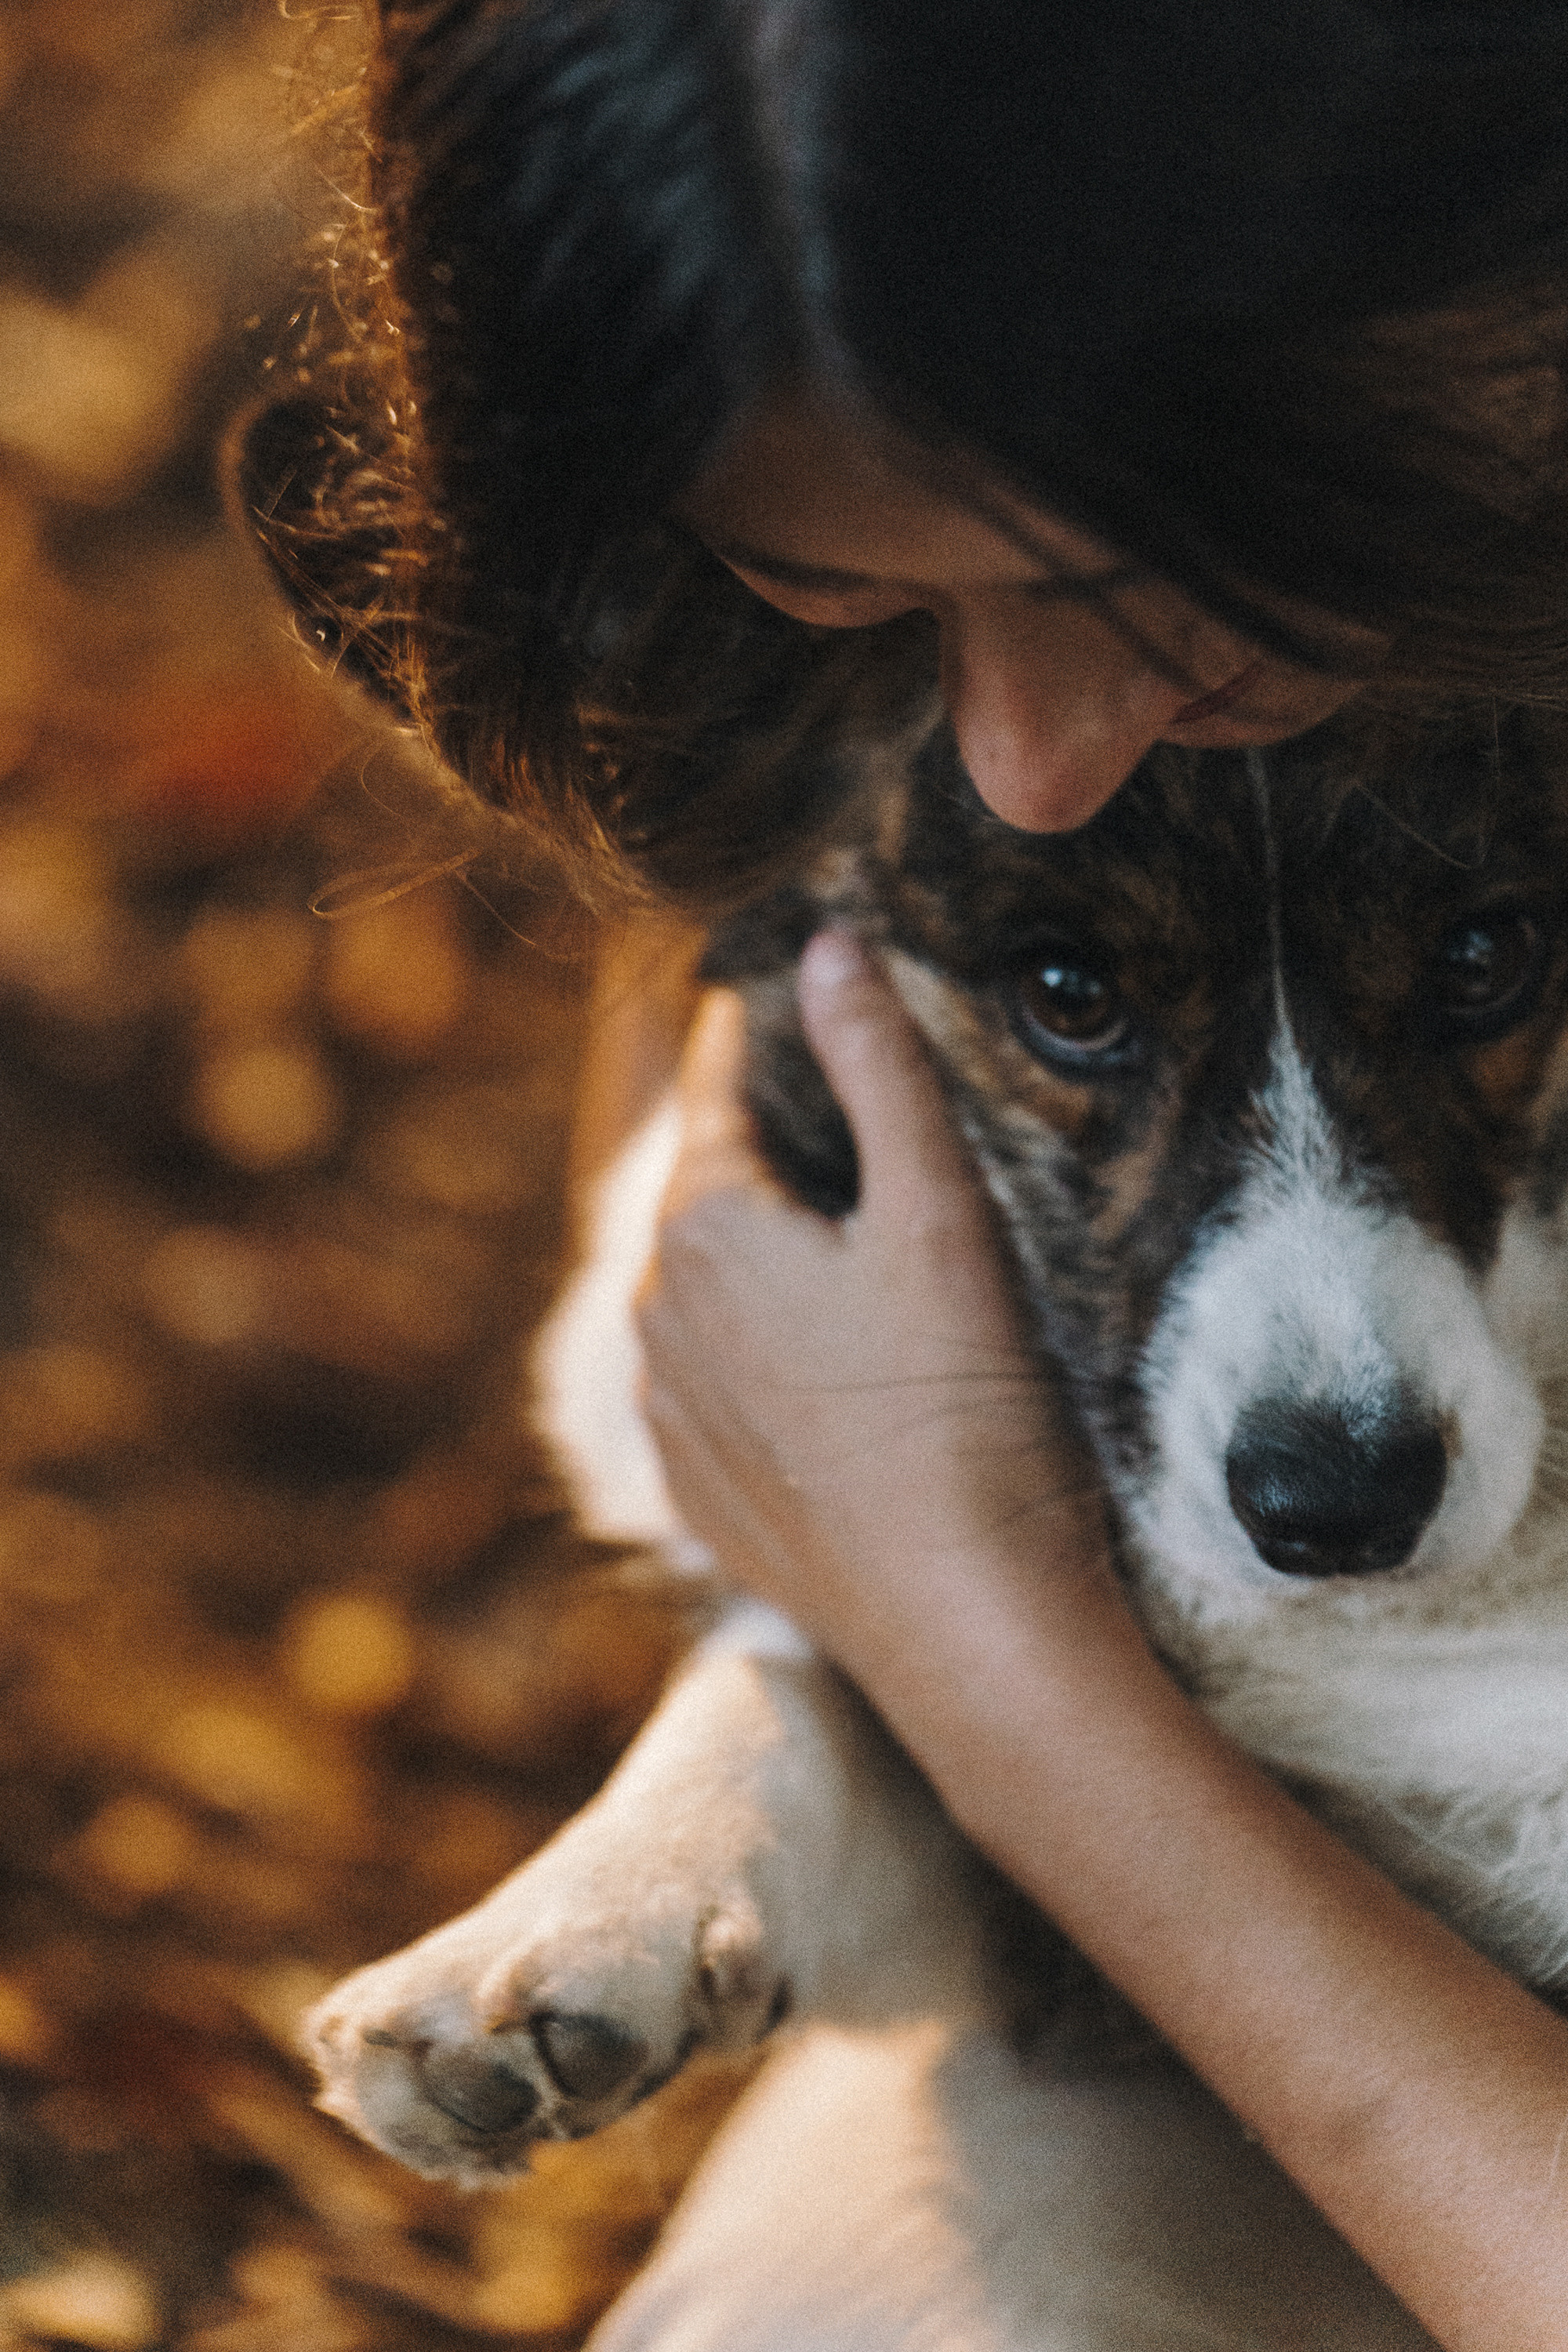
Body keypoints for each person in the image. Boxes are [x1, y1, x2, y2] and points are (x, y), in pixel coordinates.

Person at [245, 3, 1568, 2343]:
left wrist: (1000, 1680)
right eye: (856, 601)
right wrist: (837, 1662)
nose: (1033, 762)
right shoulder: (876, 834)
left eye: (1173, 585)